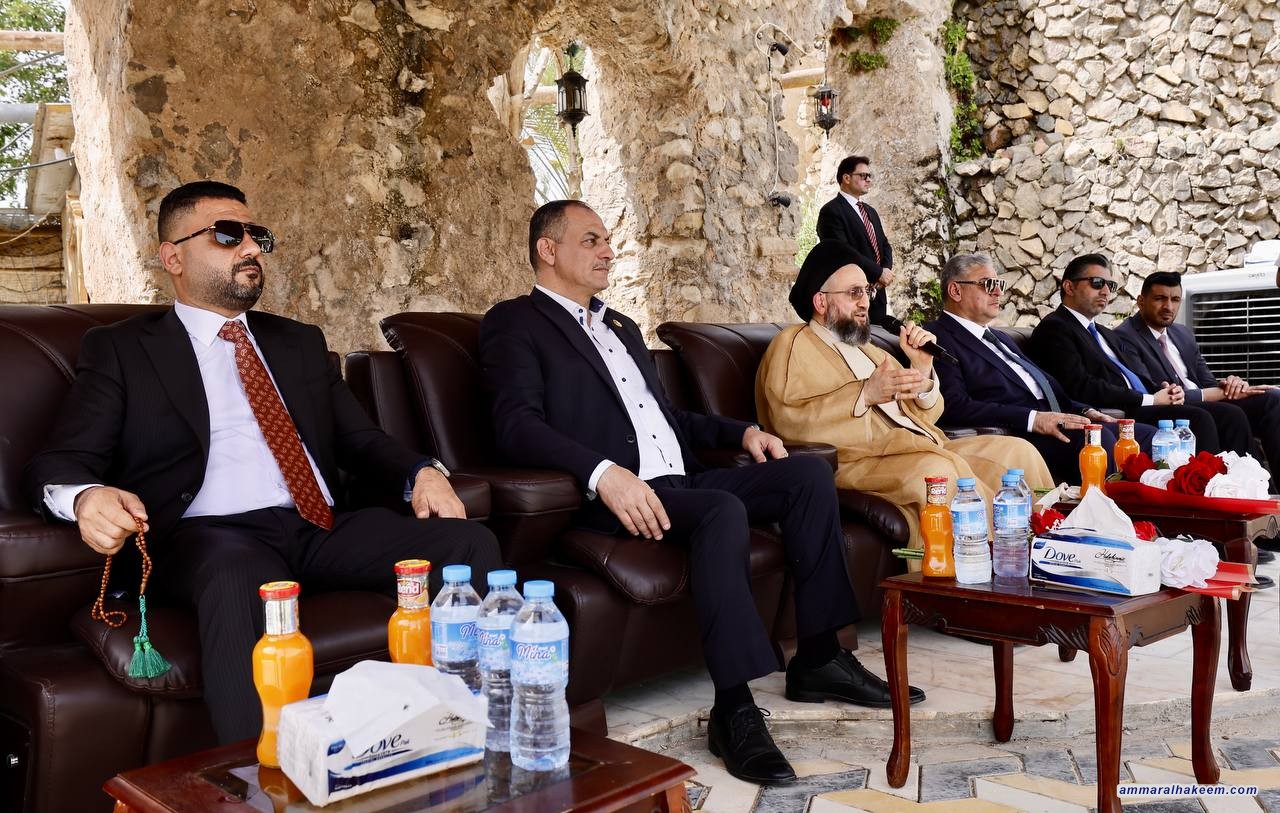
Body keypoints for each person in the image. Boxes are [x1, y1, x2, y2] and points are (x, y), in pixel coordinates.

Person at [23, 181, 501, 744]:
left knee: (467, 544)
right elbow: (62, 460)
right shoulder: (124, 349)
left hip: (317, 526)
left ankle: (468, 731)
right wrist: (85, 497)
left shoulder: (298, 342)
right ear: (173, 257)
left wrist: (421, 472)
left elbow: (361, 440)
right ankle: (254, 771)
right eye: (228, 235)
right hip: (208, 538)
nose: (251, 247)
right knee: (237, 575)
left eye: (257, 236)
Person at [479, 201, 919, 787]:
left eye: (607, 239)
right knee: (722, 509)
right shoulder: (516, 322)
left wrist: (742, 433)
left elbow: (668, 419)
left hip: (682, 480)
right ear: (547, 250)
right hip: (615, 494)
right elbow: (515, 425)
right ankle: (733, 708)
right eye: (591, 240)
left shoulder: (620, 327)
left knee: (806, 476)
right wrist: (603, 473)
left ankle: (819, 657)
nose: (608, 250)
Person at [755, 241, 1052, 549]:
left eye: (867, 292)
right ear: (820, 301)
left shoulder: (869, 350)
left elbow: (925, 416)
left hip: (920, 447)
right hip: (857, 461)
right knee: (937, 474)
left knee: (1018, 452)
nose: (865, 303)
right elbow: (789, 419)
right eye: (854, 293)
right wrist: (864, 394)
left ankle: (1048, 548)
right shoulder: (792, 344)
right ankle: (981, 567)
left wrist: (922, 368)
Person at [926, 253, 1156, 482]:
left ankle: (1154, 505)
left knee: (1147, 436)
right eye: (987, 284)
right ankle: (1110, 506)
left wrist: (1084, 411)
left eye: (999, 284)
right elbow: (953, 405)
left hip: (1055, 420)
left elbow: (1041, 390)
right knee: (1097, 443)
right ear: (955, 290)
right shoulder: (936, 337)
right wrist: (1033, 419)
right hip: (1017, 432)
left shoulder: (1000, 338)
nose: (998, 292)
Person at [1027, 254, 1245, 457]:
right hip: (1121, 410)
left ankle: (1251, 481)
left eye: (1110, 285)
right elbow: (1080, 386)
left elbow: (1132, 374)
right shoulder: (1055, 328)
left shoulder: (1103, 332)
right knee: (1200, 418)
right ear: (1069, 287)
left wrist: (1164, 390)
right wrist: (1150, 399)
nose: (1105, 291)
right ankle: (1208, 483)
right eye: (1097, 283)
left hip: (1144, 403)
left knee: (1229, 414)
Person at [1115, 271, 1280, 478]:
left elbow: (1208, 382)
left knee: (1273, 398)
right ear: (1141, 301)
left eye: (1175, 300)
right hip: (1169, 408)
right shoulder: (1125, 336)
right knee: (1229, 414)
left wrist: (1230, 385)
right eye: (1160, 299)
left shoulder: (1182, 333)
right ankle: (1254, 483)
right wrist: (1212, 394)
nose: (1168, 307)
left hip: (1203, 401)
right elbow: (1153, 392)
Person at [816, 155, 893, 323]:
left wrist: (885, 270)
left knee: (878, 339)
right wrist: (877, 273)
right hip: (851, 297)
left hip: (877, 296)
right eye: (864, 176)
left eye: (869, 176)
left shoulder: (870, 211)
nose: (868, 180)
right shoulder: (831, 211)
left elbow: (884, 245)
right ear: (846, 178)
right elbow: (843, 253)